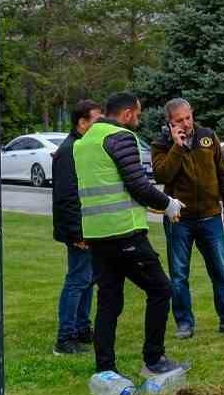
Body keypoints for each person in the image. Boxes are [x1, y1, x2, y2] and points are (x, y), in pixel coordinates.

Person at [76, 91, 186, 378]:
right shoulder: (120, 137)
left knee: (109, 300)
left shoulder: (84, 142)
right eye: (137, 115)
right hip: (124, 231)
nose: (137, 120)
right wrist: (168, 203)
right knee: (161, 289)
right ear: (126, 114)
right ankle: (154, 359)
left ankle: (105, 368)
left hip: (97, 234)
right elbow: (138, 184)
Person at [152, 97, 224, 339]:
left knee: (221, 270)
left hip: (210, 216)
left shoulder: (207, 136)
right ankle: (185, 324)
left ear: (192, 114)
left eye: (188, 117)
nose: (185, 123)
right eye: (179, 121)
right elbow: (162, 174)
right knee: (179, 273)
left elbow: (222, 171)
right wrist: (177, 146)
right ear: (170, 123)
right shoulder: (161, 144)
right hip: (179, 218)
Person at [51, 99, 102, 355]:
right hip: (78, 229)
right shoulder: (69, 151)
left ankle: (82, 328)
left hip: (88, 226)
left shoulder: (80, 147)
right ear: (82, 122)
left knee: (88, 279)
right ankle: (66, 336)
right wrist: (77, 233)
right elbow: (67, 197)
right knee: (78, 279)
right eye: (96, 121)